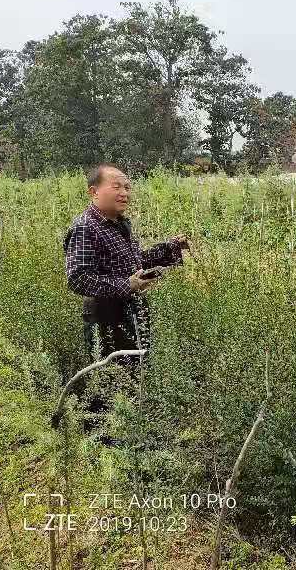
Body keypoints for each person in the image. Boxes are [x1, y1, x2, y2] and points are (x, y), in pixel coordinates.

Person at [64, 164, 190, 426]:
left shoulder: (117, 226)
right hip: (106, 317)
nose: (124, 192)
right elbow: (78, 278)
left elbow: (135, 262)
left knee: (133, 375)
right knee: (108, 380)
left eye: (127, 187)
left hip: (131, 312)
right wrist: (127, 285)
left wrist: (169, 249)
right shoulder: (86, 227)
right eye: (116, 186)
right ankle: (103, 447)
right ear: (93, 191)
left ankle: (131, 436)